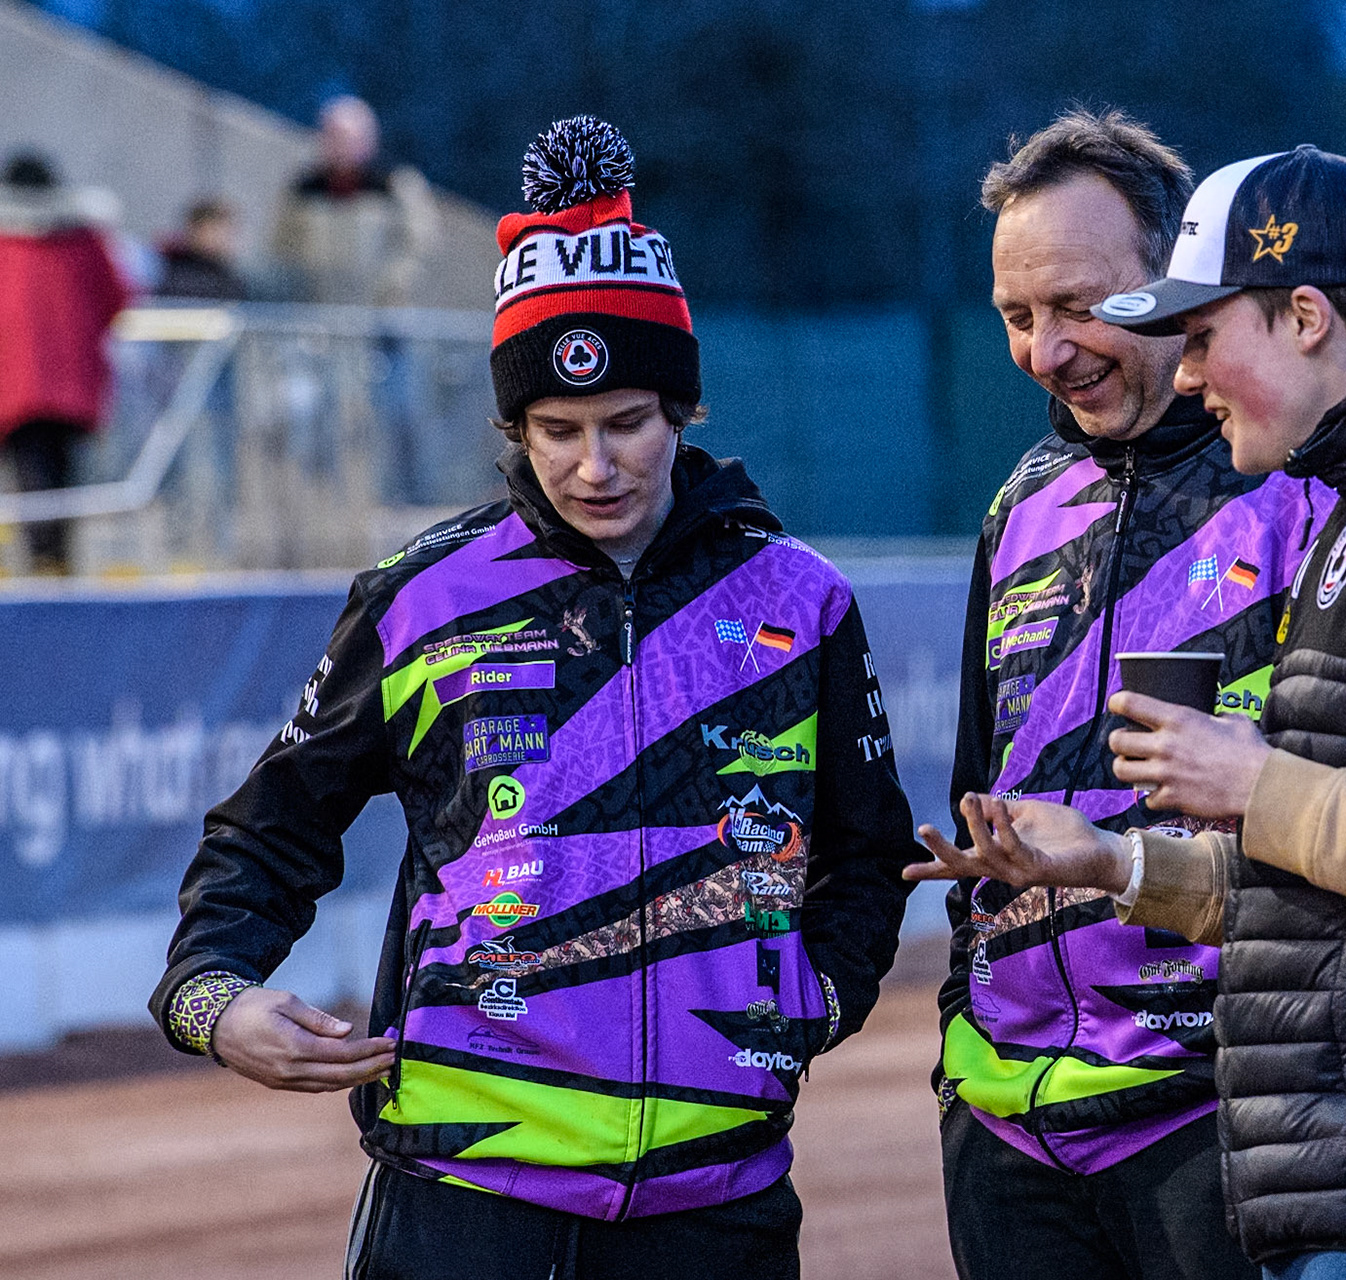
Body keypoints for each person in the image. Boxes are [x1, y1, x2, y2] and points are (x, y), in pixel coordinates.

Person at [151, 116, 916, 1279]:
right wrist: (211, 992)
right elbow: (271, 827)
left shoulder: (800, 600)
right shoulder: (417, 597)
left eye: (627, 425)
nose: (593, 465)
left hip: (719, 1202)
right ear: (514, 425)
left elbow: (866, 855)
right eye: (557, 430)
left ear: (684, 414)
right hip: (464, 1201)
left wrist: (812, 1000)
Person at [911, 146, 1346, 1280]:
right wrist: (1117, 864)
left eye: (1195, 334)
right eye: (1015, 313)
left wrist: (1252, 786)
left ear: (1302, 316)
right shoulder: (1042, 500)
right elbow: (1321, 874)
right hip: (1208, 1146)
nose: (1187, 372)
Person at [935, 111, 1329, 1280]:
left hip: (1214, 1112)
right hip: (1010, 1130)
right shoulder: (1021, 503)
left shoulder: (1298, 483)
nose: (1045, 351)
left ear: (1174, 280)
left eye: (1077, 306)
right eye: (1017, 316)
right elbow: (976, 775)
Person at [0, 150, 132, 575]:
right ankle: (56, 560)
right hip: (74, 382)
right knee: (61, 473)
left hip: (15, 383)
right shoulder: (84, 240)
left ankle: (44, 561)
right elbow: (118, 297)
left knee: (33, 473)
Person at [270, 94, 430, 305]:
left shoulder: (396, 187)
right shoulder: (304, 189)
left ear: (368, 140)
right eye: (331, 136)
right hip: (316, 307)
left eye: (345, 137)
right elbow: (282, 249)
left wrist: (392, 285)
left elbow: (419, 246)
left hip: (379, 310)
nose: (338, 146)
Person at [155, 198, 248, 301]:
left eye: (229, 229)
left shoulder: (229, 277)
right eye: (214, 229)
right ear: (195, 229)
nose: (223, 237)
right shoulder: (180, 278)